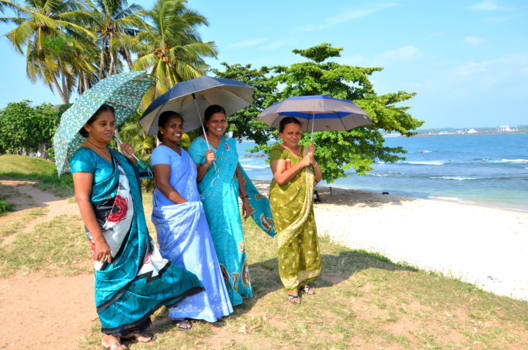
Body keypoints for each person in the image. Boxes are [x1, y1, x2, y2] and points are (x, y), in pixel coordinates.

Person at [70, 105, 204, 350]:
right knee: (109, 278)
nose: (110, 128)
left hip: (133, 229)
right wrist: (99, 239)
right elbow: (82, 198)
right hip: (107, 231)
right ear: (87, 126)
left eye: (112, 124)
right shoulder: (83, 157)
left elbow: (144, 175)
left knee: (141, 273)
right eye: (103, 124)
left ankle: (130, 327)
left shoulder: (116, 154)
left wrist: (130, 159)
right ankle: (109, 334)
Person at [150, 111, 233, 327]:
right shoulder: (161, 152)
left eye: (180, 125)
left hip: (193, 212)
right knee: (180, 261)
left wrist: (205, 164)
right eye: (172, 126)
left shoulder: (184, 153)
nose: (178, 130)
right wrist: (185, 205)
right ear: (161, 129)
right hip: (176, 215)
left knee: (200, 259)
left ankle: (205, 306)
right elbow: (162, 184)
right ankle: (179, 311)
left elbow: (194, 180)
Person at [188, 105, 253, 306]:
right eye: (214, 121)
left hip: (231, 198)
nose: (219, 125)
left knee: (236, 241)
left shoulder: (229, 143)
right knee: (218, 244)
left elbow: (237, 170)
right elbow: (194, 179)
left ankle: (238, 286)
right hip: (211, 202)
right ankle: (222, 292)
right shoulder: (198, 146)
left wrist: (246, 198)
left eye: (222, 120)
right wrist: (206, 163)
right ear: (206, 122)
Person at [268, 117, 323, 305]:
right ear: (281, 134)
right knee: (289, 244)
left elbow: (318, 178)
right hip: (284, 205)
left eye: (298, 133)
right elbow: (280, 178)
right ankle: (292, 285)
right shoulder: (278, 151)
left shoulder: (306, 151)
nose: (294, 136)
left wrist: (312, 160)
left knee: (306, 242)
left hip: (305, 204)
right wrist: (302, 163)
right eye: (289, 133)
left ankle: (305, 280)